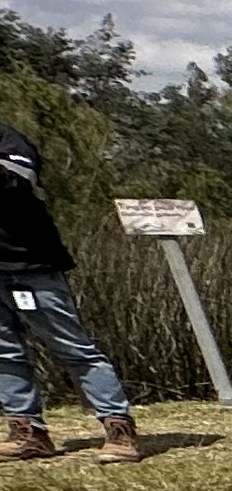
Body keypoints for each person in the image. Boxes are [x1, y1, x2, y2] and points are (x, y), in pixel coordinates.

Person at [0, 115, 140, 464]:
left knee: (74, 349)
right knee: (4, 354)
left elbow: (17, 183)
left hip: (31, 266)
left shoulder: (9, 141)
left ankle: (118, 429)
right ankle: (28, 433)